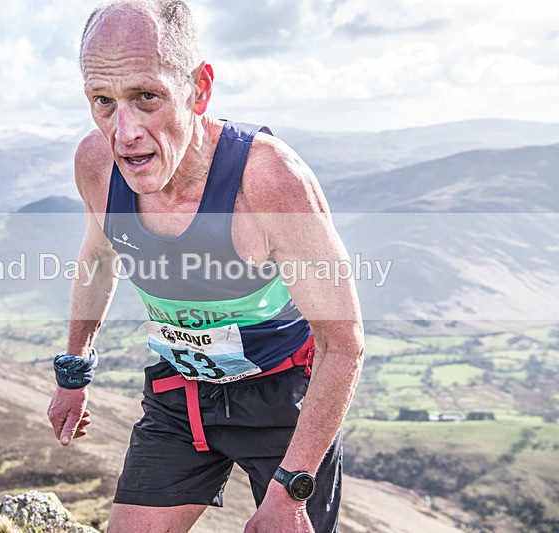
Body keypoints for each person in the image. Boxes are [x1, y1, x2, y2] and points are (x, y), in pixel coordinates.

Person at [47, 1, 364, 531]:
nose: (123, 132)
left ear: (200, 88)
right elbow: (100, 259)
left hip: (283, 401)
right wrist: (74, 372)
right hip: (181, 393)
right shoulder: (97, 166)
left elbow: (343, 342)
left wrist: (293, 492)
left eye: (146, 97)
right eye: (102, 101)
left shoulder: (269, 181)